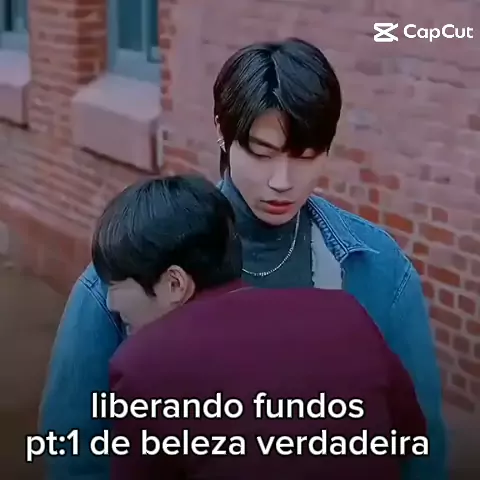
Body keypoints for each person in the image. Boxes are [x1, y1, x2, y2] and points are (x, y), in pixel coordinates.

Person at [40, 38, 446, 480]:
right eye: (262, 153)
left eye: (305, 157)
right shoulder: (135, 265)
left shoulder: (376, 267)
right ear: (222, 129)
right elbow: (75, 452)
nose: (282, 181)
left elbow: (420, 450)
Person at [91, 174, 427, 479]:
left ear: (175, 284)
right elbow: (410, 437)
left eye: (116, 285)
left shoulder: (143, 365)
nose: (110, 303)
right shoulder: (346, 312)